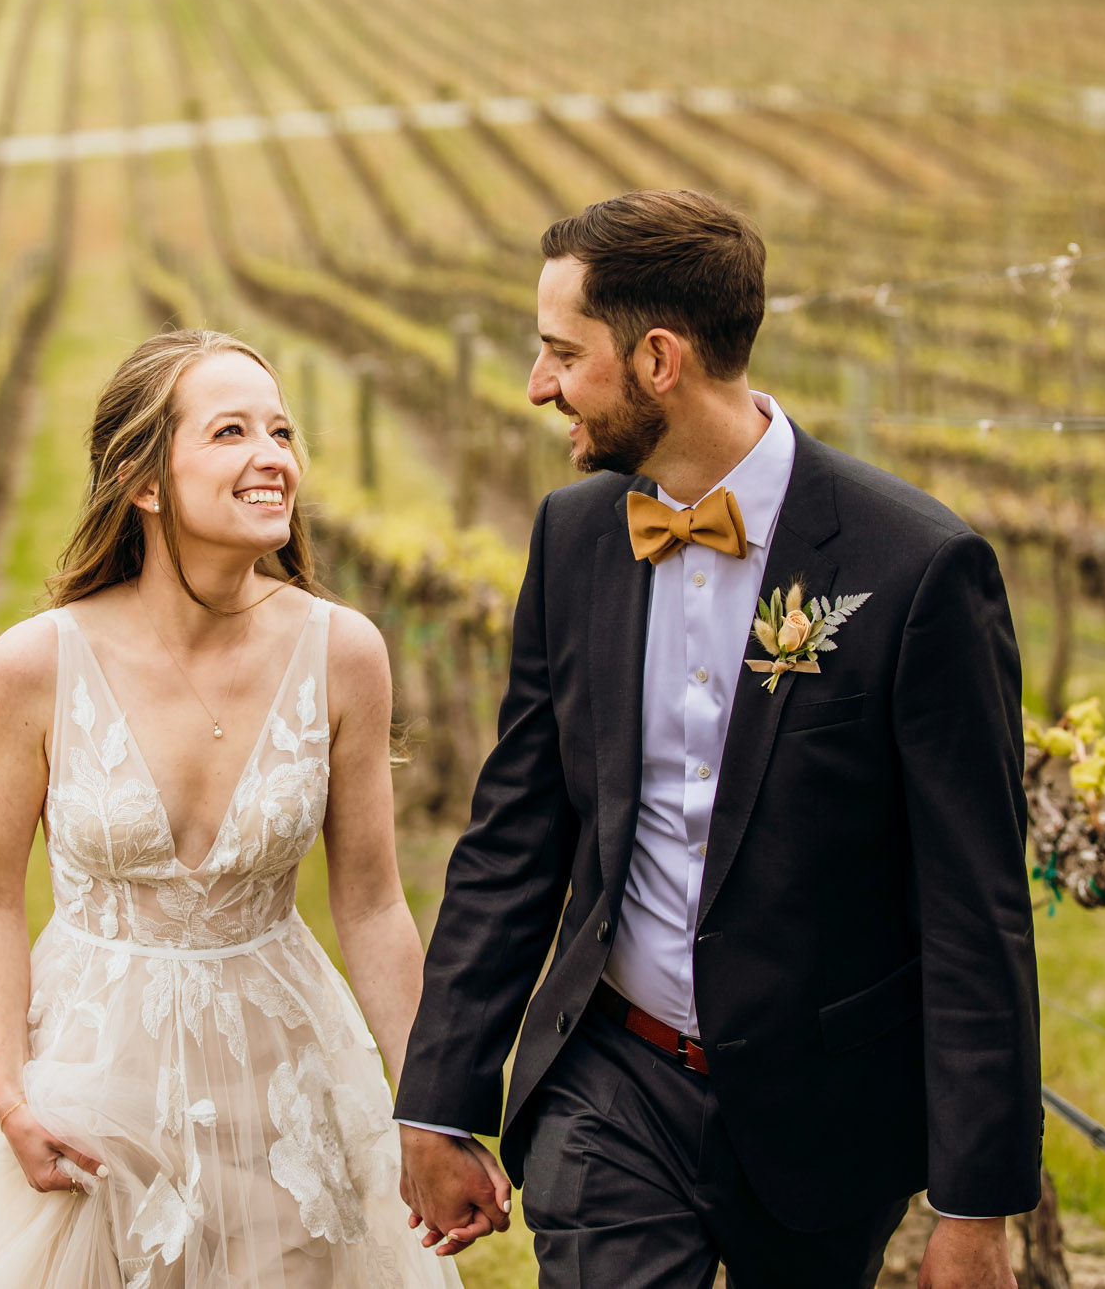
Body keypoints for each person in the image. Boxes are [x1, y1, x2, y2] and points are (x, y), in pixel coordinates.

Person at [394, 190, 1041, 1289]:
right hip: (612, 1081)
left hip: (825, 1112)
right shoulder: (571, 538)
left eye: (560, 352)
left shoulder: (917, 568)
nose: (537, 384)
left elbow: (974, 902)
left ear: (657, 358)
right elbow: (515, 832)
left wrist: (975, 1202)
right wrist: (438, 1098)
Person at [0, 329, 462, 1288]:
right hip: (89, 1073)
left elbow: (372, 903)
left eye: (282, 431)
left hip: (280, 1080)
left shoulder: (343, 651)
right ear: (146, 481)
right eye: (232, 431)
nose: (272, 457)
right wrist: (10, 1092)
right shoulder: (36, 663)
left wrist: (429, 1106)